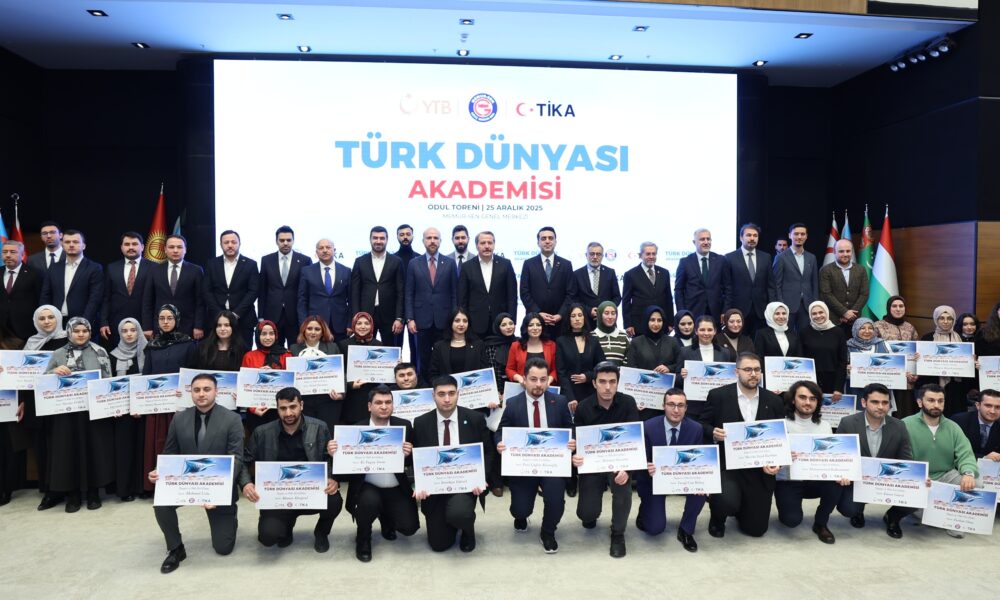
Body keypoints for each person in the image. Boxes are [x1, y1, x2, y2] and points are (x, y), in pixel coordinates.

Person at [148, 373, 244, 573]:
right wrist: (159, 472)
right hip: (187, 483)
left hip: (218, 488)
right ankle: (176, 549)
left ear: (216, 392)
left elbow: (236, 459)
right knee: (161, 502)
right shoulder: (179, 418)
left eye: (207, 389)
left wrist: (218, 493)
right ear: (190, 392)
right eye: (196, 390)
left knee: (223, 548)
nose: (201, 394)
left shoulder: (232, 419)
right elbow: (170, 453)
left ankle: (231, 518)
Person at [240, 387, 341, 553]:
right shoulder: (262, 432)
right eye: (283, 408)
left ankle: (321, 533)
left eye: (292, 407)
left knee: (334, 501)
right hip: (277, 495)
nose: (288, 413)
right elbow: (244, 460)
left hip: (310, 492)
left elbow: (329, 456)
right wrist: (246, 483)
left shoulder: (319, 427)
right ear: (277, 408)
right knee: (268, 538)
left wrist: (332, 478)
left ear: (301, 405)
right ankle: (286, 526)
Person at [328, 385, 418, 562]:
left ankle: (386, 518)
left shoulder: (404, 426)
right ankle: (363, 538)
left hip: (395, 486)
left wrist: (409, 454)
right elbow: (345, 465)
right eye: (378, 403)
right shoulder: (356, 429)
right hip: (367, 486)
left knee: (410, 528)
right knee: (368, 502)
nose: (384, 406)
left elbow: (410, 463)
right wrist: (335, 453)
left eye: (388, 402)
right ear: (369, 406)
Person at [700, 352, 785, 538]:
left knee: (756, 530)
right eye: (747, 369)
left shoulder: (774, 401)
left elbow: (780, 439)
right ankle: (718, 517)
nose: (753, 374)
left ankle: (743, 509)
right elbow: (702, 424)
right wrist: (712, 432)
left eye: (757, 370)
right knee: (727, 502)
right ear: (736, 371)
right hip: (728, 466)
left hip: (760, 469)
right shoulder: (718, 396)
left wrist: (776, 463)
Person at [495, 358, 576, 553]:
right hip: (523, 465)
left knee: (556, 501)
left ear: (548, 380)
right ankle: (521, 516)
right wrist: (499, 443)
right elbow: (501, 431)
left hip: (552, 464)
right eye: (533, 379)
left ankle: (548, 532)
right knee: (519, 509)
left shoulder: (560, 402)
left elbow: (570, 428)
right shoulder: (513, 404)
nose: (538, 384)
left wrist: (572, 441)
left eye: (542, 379)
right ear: (524, 379)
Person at [411, 375, 496, 552]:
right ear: (433, 396)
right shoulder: (420, 423)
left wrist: (481, 477)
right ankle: (450, 521)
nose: (447, 399)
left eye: (451, 393)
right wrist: (419, 483)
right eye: (441, 394)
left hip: (465, 485)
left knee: (460, 514)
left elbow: (488, 452)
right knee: (439, 545)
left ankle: (467, 529)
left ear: (458, 394)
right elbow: (417, 458)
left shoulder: (474, 419)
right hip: (434, 488)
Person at [42, 317, 113, 512]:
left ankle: (93, 493)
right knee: (68, 452)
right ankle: (72, 495)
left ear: (90, 332)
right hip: (66, 414)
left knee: (94, 451)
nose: (81, 334)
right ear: (69, 332)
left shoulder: (100, 351)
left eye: (85, 331)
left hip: (92, 412)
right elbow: (43, 380)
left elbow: (108, 380)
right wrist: (54, 371)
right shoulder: (58, 353)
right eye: (76, 331)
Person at [572, 361, 641, 558]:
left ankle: (618, 533)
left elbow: (635, 440)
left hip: (620, 462)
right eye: (602, 382)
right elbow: (577, 440)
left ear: (618, 383)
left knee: (623, 488)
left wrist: (627, 469)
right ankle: (590, 513)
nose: (608, 387)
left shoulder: (628, 403)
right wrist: (575, 457)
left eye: (612, 382)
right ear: (594, 383)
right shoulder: (583, 407)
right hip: (592, 464)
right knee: (586, 515)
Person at [899, 384, 980, 538]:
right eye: (931, 400)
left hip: (945, 476)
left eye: (940, 401)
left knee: (976, 482)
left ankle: (953, 521)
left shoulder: (953, 427)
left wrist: (968, 473)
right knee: (922, 513)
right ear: (920, 402)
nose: (936, 405)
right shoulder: (905, 424)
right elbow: (899, 457)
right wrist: (917, 475)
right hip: (920, 479)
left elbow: (966, 454)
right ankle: (933, 514)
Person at [774, 380, 849, 544]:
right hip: (788, 481)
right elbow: (770, 458)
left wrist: (840, 472)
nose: (808, 402)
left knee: (836, 482)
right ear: (793, 400)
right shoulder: (780, 425)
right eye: (802, 397)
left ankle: (821, 523)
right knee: (791, 521)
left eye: (812, 399)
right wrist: (782, 456)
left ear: (818, 402)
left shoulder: (825, 426)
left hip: (816, 479)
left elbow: (831, 458)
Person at [835, 383, 913, 537]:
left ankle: (893, 517)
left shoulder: (899, 426)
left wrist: (917, 480)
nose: (881, 407)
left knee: (918, 494)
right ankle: (858, 511)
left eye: (885, 403)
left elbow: (906, 460)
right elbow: (839, 456)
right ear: (864, 402)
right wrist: (841, 474)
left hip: (887, 480)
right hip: (857, 481)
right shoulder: (847, 423)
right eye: (875, 402)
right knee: (848, 509)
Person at [635, 388, 707, 553]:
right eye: (671, 405)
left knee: (703, 487)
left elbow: (699, 459)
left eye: (680, 405)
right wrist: (646, 465)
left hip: (683, 478)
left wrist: (703, 480)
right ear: (663, 406)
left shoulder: (696, 428)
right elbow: (639, 458)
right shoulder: (648, 427)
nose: (676, 410)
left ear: (686, 408)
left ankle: (686, 530)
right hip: (654, 480)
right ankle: (644, 510)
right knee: (655, 529)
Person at [140, 305, 197, 498]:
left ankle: (180, 484)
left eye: (170, 318)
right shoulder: (152, 346)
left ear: (177, 320)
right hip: (157, 406)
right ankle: (157, 485)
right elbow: (146, 376)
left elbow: (193, 375)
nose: (165, 322)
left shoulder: (188, 344)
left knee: (181, 442)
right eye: (162, 318)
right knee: (157, 443)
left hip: (180, 405)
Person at [22, 305, 69, 509]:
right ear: (36, 321)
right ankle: (48, 489)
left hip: (59, 403)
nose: (47, 321)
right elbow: (23, 378)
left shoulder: (68, 340)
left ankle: (62, 488)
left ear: (58, 318)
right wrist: (23, 402)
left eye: (51, 317)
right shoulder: (31, 343)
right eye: (42, 318)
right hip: (35, 402)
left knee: (60, 446)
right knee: (41, 447)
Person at [405, 228, 457, 381]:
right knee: (423, 357)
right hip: (421, 320)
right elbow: (409, 293)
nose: (432, 241)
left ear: (440, 241)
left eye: (435, 238)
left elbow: (454, 293)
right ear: (423, 241)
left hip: (444, 320)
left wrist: (454, 319)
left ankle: (443, 384)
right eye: (429, 238)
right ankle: (425, 385)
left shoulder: (450, 263)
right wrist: (410, 318)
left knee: (443, 357)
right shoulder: (414, 263)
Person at [108, 318, 146, 502]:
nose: (129, 334)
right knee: (124, 450)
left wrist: (141, 405)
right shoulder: (112, 355)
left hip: (143, 411)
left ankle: (142, 487)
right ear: (119, 333)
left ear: (139, 331)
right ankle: (125, 489)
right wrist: (114, 405)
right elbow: (108, 383)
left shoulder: (148, 352)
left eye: (133, 330)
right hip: (121, 413)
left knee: (142, 448)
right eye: (124, 331)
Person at [258, 225, 313, 349]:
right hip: (272, 314)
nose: (285, 243)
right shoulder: (266, 260)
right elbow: (262, 290)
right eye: (282, 240)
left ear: (293, 241)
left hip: (295, 315)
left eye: (289, 240)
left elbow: (308, 291)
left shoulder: (305, 260)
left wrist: (307, 317)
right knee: (273, 350)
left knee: (296, 350)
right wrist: (261, 316)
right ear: (276, 241)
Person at [142, 234, 205, 339]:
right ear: (165, 249)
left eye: (179, 247)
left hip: (187, 326)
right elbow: (147, 301)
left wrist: (198, 326)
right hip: (161, 325)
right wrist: (147, 327)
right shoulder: (154, 271)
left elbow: (200, 302)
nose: (175, 250)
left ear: (185, 250)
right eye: (171, 247)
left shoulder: (196, 271)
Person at [288, 316, 344, 433]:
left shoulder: (332, 347)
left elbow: (341, 373)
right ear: (304, 330)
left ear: (323, 331)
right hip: (304, 401)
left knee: (327, 434)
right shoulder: (294, 349)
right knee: (307, 434)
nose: (313, 332)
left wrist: (341, 394)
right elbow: (290, 375)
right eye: (309, 328)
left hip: (327, 400)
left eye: (317, 329)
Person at [204, 230, 259, 348]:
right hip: (216, 319)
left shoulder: (251, 264)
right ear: (221, 244)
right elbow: (207, 291)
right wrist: (219, 315)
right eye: (226, 242)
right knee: (216, 353)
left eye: (233, 242)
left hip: (244, 319)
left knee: (244, 354)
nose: (230, 245)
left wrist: (236, 314)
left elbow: (253, 292)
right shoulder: (212, 264)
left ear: (239, 243)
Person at [625, 305, 682, 418]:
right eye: (652, 320)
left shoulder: (673, 342)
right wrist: (636, 397)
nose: (656, 324)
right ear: (646, 320)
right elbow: (631, 370)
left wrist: (669, 368)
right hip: (644, 400)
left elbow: (680, 366)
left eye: (659, 320)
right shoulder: (636, 342)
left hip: (668, 400)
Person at [458, 231, 517, 339]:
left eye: (490, 243)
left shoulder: (506, 264)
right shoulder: (467, 267)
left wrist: (512, 320)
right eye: (483, 243)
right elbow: (463, 299)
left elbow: (512, 296)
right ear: (477, 245)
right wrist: (464, 322)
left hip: (502, 322)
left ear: (494, 245)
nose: (486, 246)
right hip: (475, 323)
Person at [351, 226, 405, 345]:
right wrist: (356, 317)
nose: (378, 241)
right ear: (370, 239)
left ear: (387, 240)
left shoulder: (396, 261)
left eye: (382, 238)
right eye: (375, 238)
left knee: (390, 350)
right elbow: (355, 292)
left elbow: (400, 292)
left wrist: (399, 318)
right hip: (365, 315)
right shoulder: (360, 261)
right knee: (364, 349)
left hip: (390, 315)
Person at [39, 229, 103, 326]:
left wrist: (83, 322)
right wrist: (46, 318)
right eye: (67, 242)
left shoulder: (94, 268)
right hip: (55, 322)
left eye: (75, 242)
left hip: (83, 322)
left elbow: (95, 299)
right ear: (62, 245)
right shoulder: (53, 267)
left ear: (84, 246)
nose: (71, 245)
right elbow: (45, 296)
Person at [917, 306, 972, 417]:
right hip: (933, 385)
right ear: (936, 319)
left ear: (954, 320)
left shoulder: (962, 340)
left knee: (956, 417)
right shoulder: (927, 338)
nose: (946, 321)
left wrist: (971, 361)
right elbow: (922, 369)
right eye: (941, 318)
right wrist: (918, 359)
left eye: (949, 318)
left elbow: (967, 370)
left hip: (956, 388)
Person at [520, 226, 573, 339]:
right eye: (543, 238)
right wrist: (537, 313)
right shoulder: (528, 264)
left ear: (555, 242)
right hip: (535, 322)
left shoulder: (566, 264)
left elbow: (571, 293)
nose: (547, 241)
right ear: (538, 242)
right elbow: (524, 292)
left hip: (560, 322)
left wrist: (560, 314)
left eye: (550, 238)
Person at [679, 316, 736, 419]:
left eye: (710, 330)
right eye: (702, 330)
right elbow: (677, 379)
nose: (706, 333)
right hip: (694, 407)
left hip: (718, 405)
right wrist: (682, 375)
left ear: (715, 331)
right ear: (696, 331)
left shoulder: (725, 352)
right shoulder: (685, 352)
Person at [99, 232, 150, 347]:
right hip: (116, 325)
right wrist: (103, 322)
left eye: (134, 244)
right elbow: (106, 298)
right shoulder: (112, 268)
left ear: (142, 247)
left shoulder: (154, 267)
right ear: (121, 247)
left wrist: (150, 325)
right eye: (127, 244)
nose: (131, 247)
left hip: (144, 325)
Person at [724, 223, 775, 337]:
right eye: (748, 235)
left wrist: (772, 308)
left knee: (759, 342)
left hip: (761, 310)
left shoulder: (766, 257)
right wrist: (726, 310)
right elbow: (727, 287)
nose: (752, 238)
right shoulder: (729, 258)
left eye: (755, 236)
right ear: (741, 237)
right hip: (738, 310)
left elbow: (770, 286)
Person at [241, 320, 291, 431]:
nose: (268, 337)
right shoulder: (249, 356)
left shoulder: (287, 355)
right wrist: (253, 409)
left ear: (276, 335)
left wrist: (274, 374)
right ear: (258, 335)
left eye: (271, 333)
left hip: (280, 410)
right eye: (263, 334)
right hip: (256, 410)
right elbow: (244, 387)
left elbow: (292, 385)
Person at [874, 295, 920, 417]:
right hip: (887, 379)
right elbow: (873, 352)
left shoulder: (910, 327)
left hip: (907, 381)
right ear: (888, 308)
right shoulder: (878, 326)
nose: (898, 309)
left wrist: (915, 373)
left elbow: (917, 350)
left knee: (905, 415)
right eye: (894, 306)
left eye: (901, 306)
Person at [297, 239, 352, 340]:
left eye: (328, 247)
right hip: (315, 325)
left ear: (334, 250)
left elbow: (351, 300)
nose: (325, 250)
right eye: (321, 248)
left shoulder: (346, 271)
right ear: (316, 252)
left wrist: (350, 323)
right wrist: (303, 324)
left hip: (340, 325)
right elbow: (302, 300)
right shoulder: (307, 271)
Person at [555, 303, 605, 408]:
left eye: (580, 315)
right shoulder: (561, 341)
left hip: (591, 393)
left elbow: (602, 367)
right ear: (568, 319)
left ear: (584, 318)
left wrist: (588, 377)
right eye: (573, 316)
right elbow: (561, 373)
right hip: (569, 394)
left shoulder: (594, 341)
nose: (577, 319)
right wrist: (570, 397)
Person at [674, 229, 729, 324]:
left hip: (716, 312)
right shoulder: (685, 262)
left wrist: (725, 311)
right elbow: (678, 290)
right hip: (693, 312)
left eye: (708, 239)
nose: (706, 242)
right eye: (702, 239)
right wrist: (682, 313)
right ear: (694, 242)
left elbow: (728, 288)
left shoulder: (721, 260)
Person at [772, 223, 818, 331]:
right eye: (796, 234)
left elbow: (815, 283)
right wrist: (780, 305)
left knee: (805, 336)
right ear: (790, 235)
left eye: (802, 234)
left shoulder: (811, 258)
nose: (799, 237)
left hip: (807, 306)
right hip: (787, 306)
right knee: (786, 336)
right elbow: (776, 284)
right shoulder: (781, 257)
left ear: (806, 236)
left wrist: (815, 304)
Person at [622, 242, 674, 337]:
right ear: (641, 255)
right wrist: (628, 324)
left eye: (654, 254)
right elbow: (626, 302)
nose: (651, 257)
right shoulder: (630, 274)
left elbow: (669, 299)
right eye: (648, 254)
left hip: (661, 324)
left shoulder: (664, 273)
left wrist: (671, 322)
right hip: (639, 325)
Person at [339, 312, 382, 425]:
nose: (363, 326)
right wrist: (350, 385)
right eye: (359, 323)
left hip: (371, 393)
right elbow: (339, 372)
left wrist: (394, 365)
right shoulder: (343, 345)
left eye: (366, 323)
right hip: (352, 395)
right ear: (353, 325)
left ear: (371, 326)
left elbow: (384, 373)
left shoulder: (378, 345)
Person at [818, 239, 869, 334]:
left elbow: (864, 294)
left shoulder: (861, 270)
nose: (845, 254)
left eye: (848, 251)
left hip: (855, 319)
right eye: (841, 251)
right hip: (834, 319)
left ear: (852, 252)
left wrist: (851, 314)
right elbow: (826, 294)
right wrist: (844, 312)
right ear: (834, 252)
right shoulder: (825, 270)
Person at [799, 301, 848, 397]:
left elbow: (842, 362)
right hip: (810, 381)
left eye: (821, 312)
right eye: (814, 313)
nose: (818, 316)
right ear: (810, 315)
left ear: (826, 312)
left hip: (833, 382)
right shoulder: (804, 333)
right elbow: (801, 359)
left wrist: (838, 388)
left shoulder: (838, 332)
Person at [0, 322, 24, 505]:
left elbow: (26, 375)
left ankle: (5, 489)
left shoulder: (16, 345)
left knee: (7, 447)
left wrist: (23, 400)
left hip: (9, 405)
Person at [0, 240, 43, 341]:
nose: (8, 255)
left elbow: (41, 300)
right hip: (1, 330)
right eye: (5, 252)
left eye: (13, 252)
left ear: (22, 254)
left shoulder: (35, 274)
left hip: (25, 329)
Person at [568, 242, 621, 321]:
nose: (595, 257)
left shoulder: (610, 272)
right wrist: (588, 310)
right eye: (592, 254)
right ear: (586, 255)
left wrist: (607, 310)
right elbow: (574, 298)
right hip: (585, 320)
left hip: (607, 320)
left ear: (603, 256)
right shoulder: (577, 274)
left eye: (598, 254)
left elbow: (617, 297)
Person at [428, 307, 485, 380]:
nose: (461, 324)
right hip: (446, 386)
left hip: (474, 386)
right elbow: (433, 374)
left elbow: (484, 372)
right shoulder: (439, 346)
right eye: (457, 321)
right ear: (450, 322)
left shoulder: (478, 345)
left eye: (465, 321)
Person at [506, 312, 557, 387]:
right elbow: (509, 369)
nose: (535, 328)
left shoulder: (551, 345)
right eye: (531, 325)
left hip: (545, 387)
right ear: (525, 327)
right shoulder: (516, 346)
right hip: (523, 387)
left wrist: (549, 379)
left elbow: (555, 370)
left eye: (538, 325)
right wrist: (519, 378)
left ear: (542, 327)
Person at [846, 318, 892, 399]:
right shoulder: (848, 347)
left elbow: (892, 366)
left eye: (870, 328)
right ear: (855, 329)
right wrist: (847, 370)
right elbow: (840, 369)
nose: (867, 331)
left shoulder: (884, 344)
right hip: (856, 392)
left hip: (880, 392)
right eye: (862, 328)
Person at [950, 388, 1000, 460]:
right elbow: (951, 450)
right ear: (978, 405)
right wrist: (983, 458)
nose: (993, 411)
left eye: (998, 407)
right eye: (988, 406)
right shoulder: (958, 421)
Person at [754, 302, 803, 368]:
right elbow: (759, 358)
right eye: (777, 314)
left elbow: (799, 357)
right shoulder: (761, 334)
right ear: (770, 315)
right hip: (769, 372)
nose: (781, 316)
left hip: (791, 373)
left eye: (784, 313)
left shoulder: (794, 334)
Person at [394, 224, 418, 350]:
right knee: (395, 347)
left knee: (416, 347)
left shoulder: (420, 259)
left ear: (413, 236)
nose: (405, 237)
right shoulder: (391, 259)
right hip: (395, 309)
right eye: (402, 234)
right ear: (397, 237)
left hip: (415, 309)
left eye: (408, 234)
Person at [482, 313, 516, 392]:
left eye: (511, 323)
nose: (508, 327)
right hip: (496, 390)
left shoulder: (519, 343)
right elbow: (490, 371)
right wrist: (496, 392)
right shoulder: (490, 345)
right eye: (503, 325)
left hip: (516, 388)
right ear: (497, 327)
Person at [593, 301, 629, 366]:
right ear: (600, 315)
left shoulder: (623, 337)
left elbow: (628, 362)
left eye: (613, 313)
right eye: (606, 313)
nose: (610, 317)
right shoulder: (591, 337)